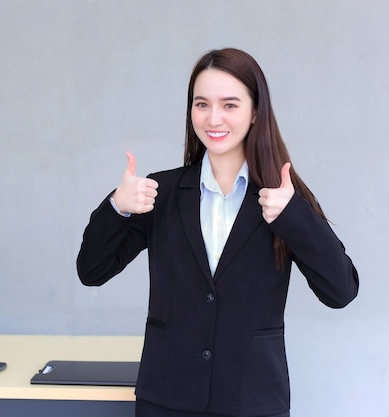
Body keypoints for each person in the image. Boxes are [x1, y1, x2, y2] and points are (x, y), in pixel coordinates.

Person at [76, 47, 359, 417]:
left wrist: (295, 218)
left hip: (252, 400)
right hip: (167, 399)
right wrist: (117, 206)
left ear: (255, 111)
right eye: (201, 104)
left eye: (229, 105)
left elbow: (341, 291)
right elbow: (91, 271)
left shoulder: (283, 200)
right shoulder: (162, 194)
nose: (213, 118)